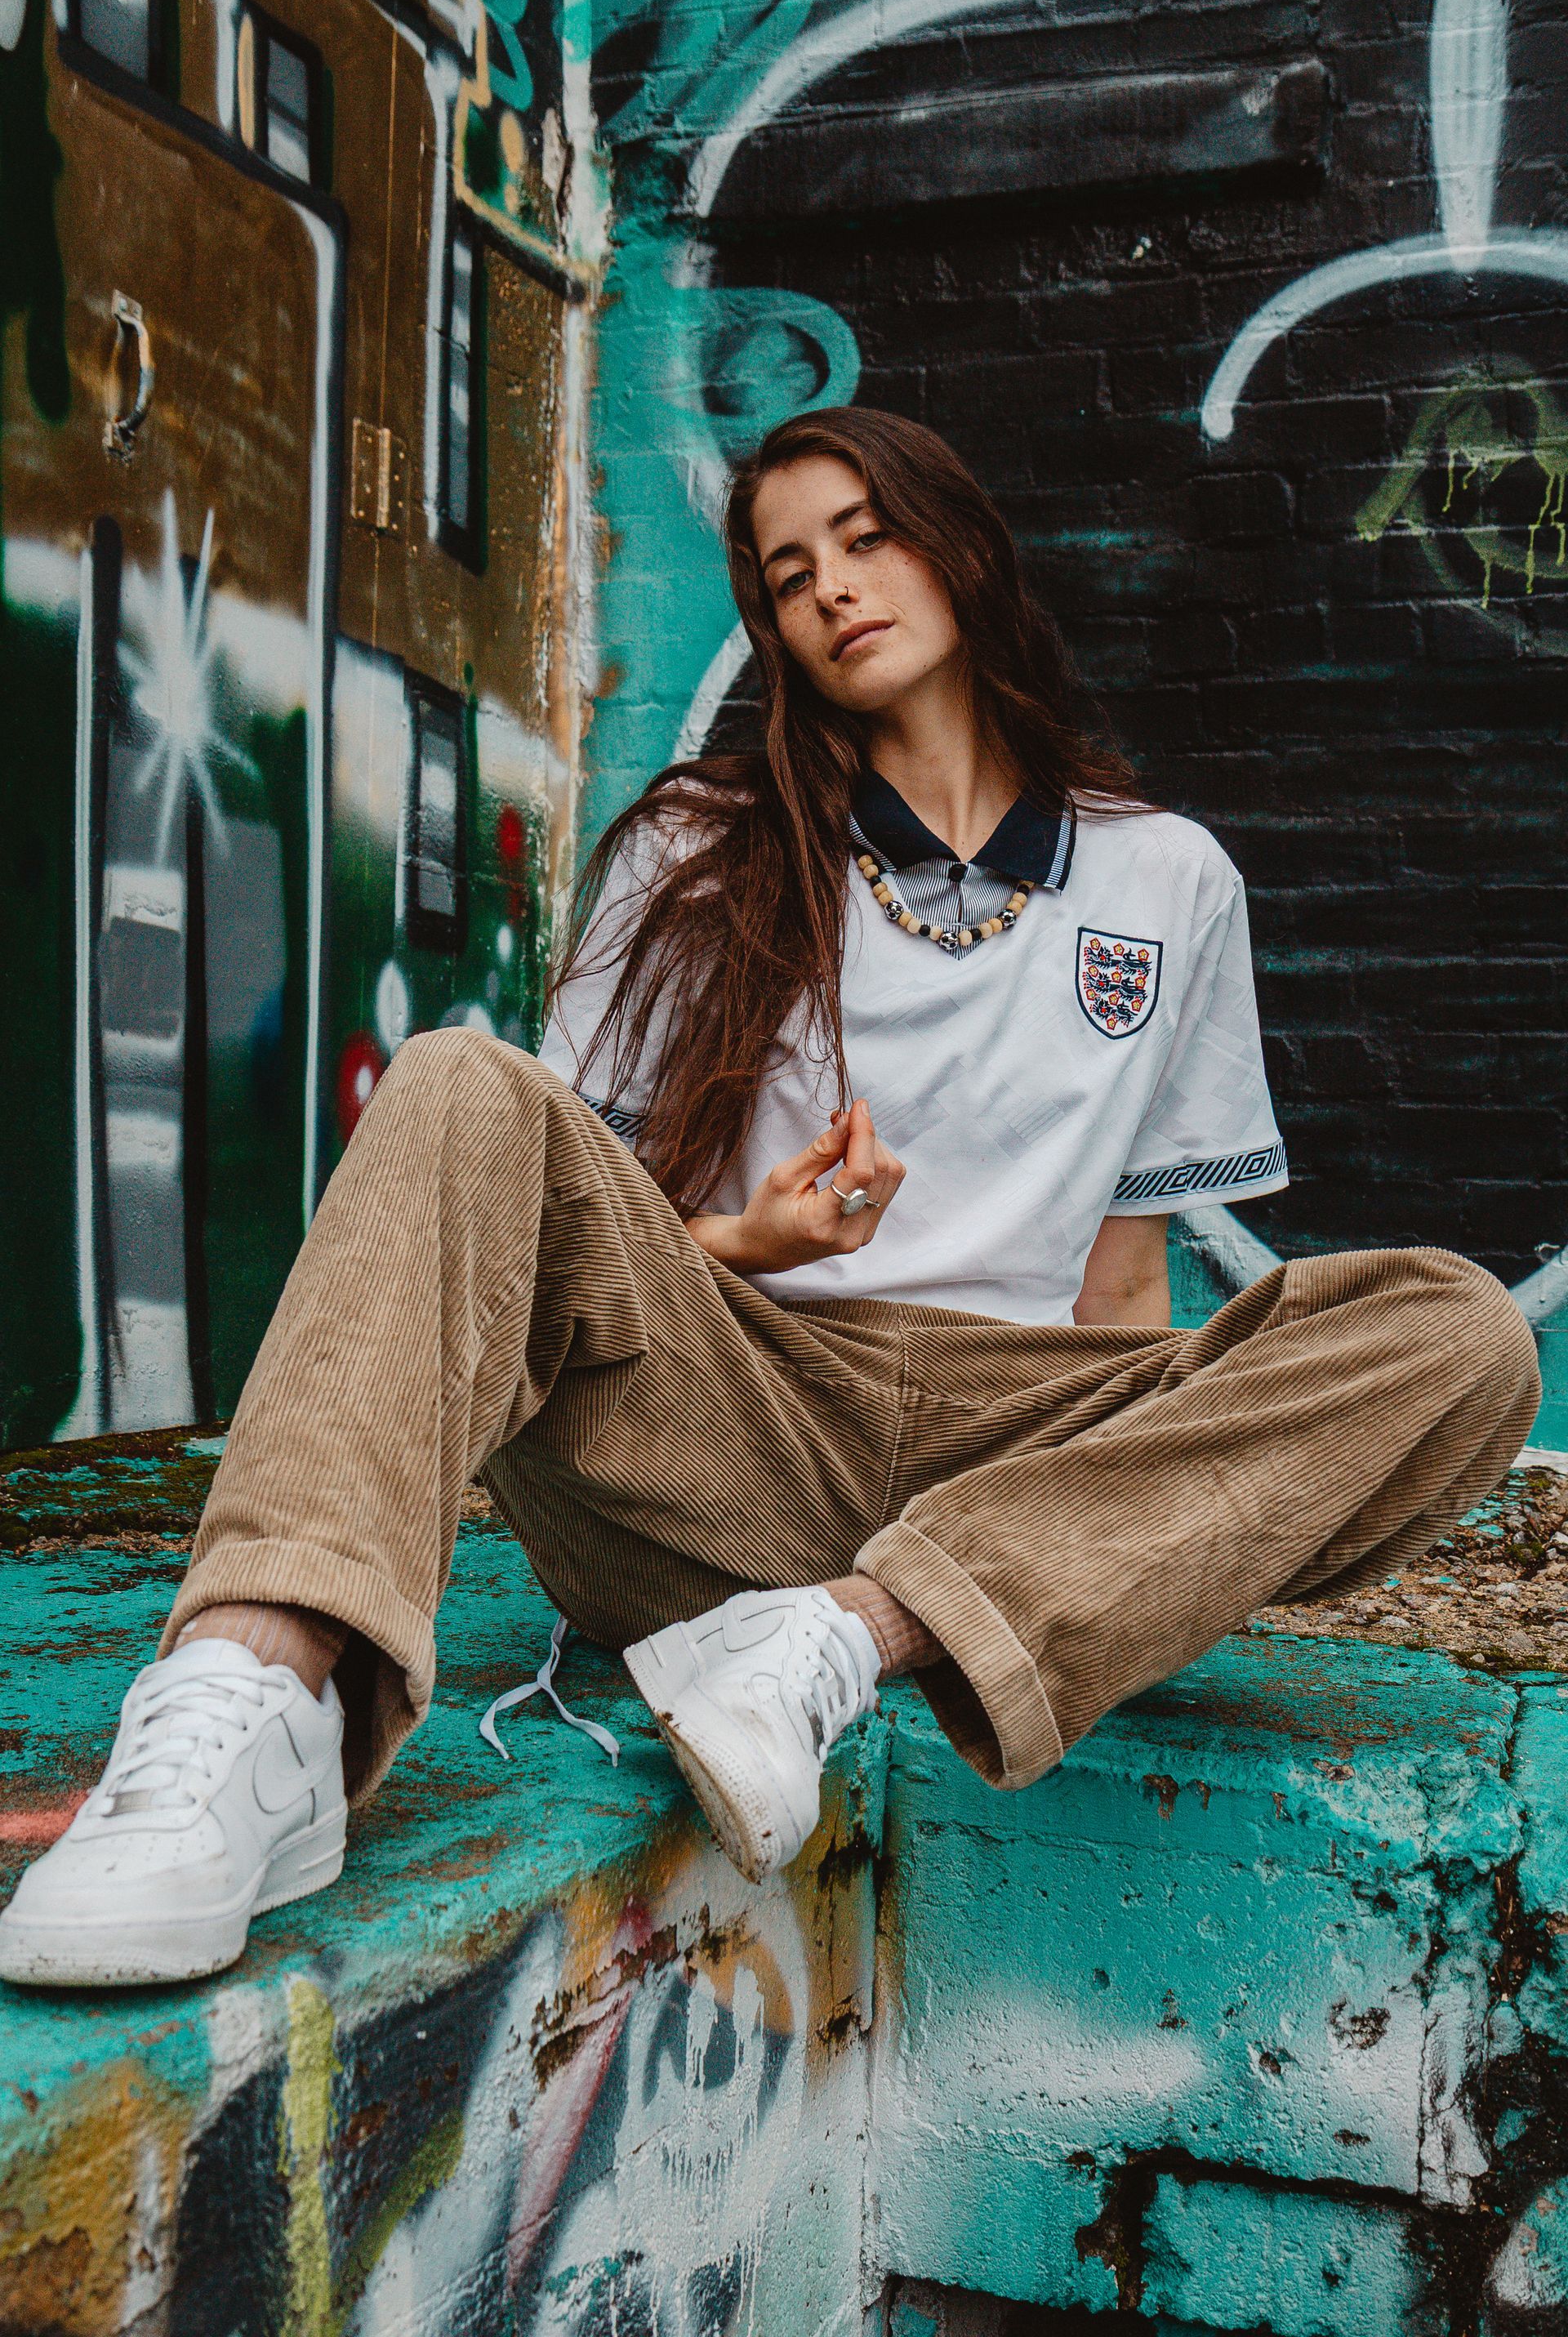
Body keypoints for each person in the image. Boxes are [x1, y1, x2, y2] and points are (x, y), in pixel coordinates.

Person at [0, 409, 1538, 1987]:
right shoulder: (694, 845)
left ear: (963, 548)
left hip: (1012, 1453)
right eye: (790, 572)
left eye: (867, 537)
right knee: (463, 1085)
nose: (833, 590)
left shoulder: (1171, 881)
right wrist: (758, 1240)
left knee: (1461, 1334)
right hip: (728, 1423)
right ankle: (247, 1707)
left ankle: (844, 1639)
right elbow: (563, 1232)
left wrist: (1137, 1508)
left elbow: (1124, 1287)